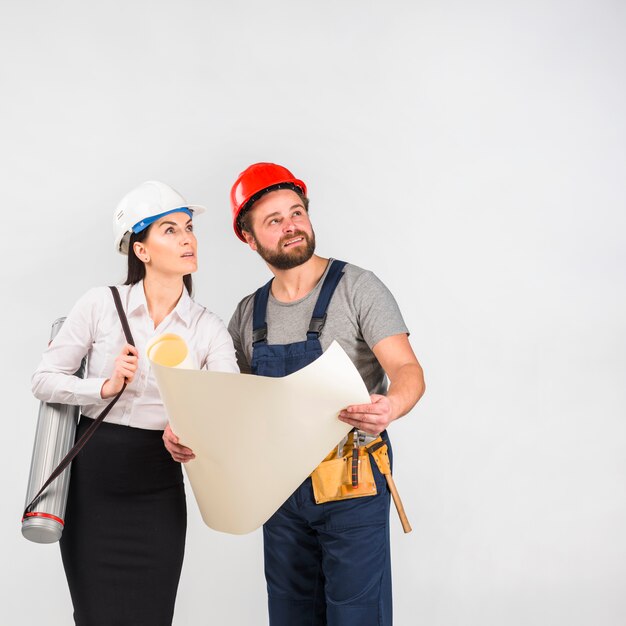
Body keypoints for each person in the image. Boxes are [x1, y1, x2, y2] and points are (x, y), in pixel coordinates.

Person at [31, 180, 238, 626]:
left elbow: (227, 405)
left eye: (188, 228)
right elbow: (43, 380)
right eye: (169, 230)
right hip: (93, 483)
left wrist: (193, 431)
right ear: (140, 250)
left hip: (157, 483)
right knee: (94, 615)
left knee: (153, 615)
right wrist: (102, 389)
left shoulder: (207, 328)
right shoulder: (100, 305)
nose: (187, 238)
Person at [233, 162, 426, 625]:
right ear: (249, 237)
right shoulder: (247, 314)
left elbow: (407, 369)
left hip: (353, 480)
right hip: (279, 491)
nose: (291, 226)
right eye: (274, 220)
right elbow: (234, 407)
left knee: (356, 617)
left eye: (296, 212)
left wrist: (391, 405)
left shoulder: (357, 288)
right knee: (291, 615)